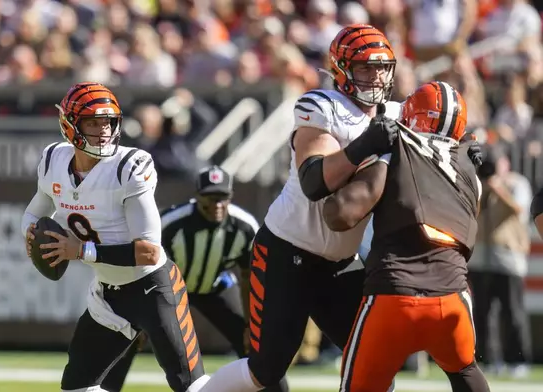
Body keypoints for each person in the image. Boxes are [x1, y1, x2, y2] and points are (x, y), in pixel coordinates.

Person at [200, 24, 405, 392]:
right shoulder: (322, 105)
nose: (375, 76)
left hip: (341, 262)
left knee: (377, 357)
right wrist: (363, 146)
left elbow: (443, 128)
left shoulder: (395, 113)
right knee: (266, 368)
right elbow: (314, 182)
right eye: (364, 68)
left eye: (381, 67)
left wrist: (471, 155)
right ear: (341, 70)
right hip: (287, 250)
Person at [21, 82, 209, 392]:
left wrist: (81, 251)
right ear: (70, 124)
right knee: (77, 387)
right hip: (110, 295)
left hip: (153, 288)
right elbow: (34, 213)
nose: (103, 130)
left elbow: (149, 252)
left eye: (108, 121)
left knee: (191, 387)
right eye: (93, 122)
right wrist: (30, 234)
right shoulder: (54, 160)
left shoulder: (128, 167)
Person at [322, 81, 490, 392]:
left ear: (412, 115)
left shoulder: (394, 152)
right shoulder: (470, 172)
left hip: (393, 295)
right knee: (465, 370)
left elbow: (341, 214)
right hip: (451, 298)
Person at [101, 166, 288, 392]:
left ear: (230, 197)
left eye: (222, 197)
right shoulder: (172, 223)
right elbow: (145, 268)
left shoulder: (244, 226)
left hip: (215, 287)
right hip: (168, 291)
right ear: (197, 196)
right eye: (210, 197)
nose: (217, 204)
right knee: (130, 335)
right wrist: (142, 317)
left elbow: (250, 277)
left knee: (256, 343)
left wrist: (251, 324)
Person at [468, 143, 532, 378]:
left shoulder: (518, 184)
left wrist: (498, 187)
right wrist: (483, 188)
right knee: (482, 313)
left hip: (508, 258)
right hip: (480, 259)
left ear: (506, 163)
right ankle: (486, 359)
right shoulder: (478, 186)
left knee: (512, 312)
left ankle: (519, 361)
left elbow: (518, 210)